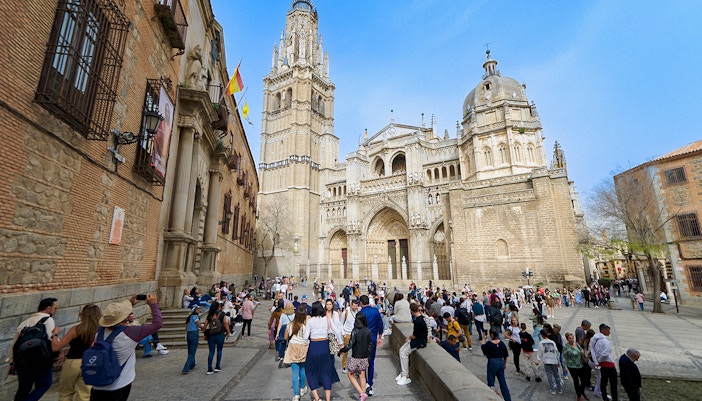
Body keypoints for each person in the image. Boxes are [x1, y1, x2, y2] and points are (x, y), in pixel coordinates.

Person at [90, 294, 163, 400]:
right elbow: (158, 324)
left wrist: (129, 305)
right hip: (119, 385)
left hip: (97, 384)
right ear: (124, 318)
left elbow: (114, 321)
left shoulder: (99, 331)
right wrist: (154, 305)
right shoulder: (130, 333)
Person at [11, 297, 59, 401]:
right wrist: (55, 334)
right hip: (41, 361)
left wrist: (12, 361)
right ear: (48, 308)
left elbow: (15, 343)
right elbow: (51, 341)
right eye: (55, 308)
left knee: (23, 388)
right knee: (44, 384)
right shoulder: (48, 320)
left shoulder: (25, 322)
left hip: (22, 362)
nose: (56, 310)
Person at [53, 304, 101, 401]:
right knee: (85, 395)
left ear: (83, 314)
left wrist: (54, 334)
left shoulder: (75, 330)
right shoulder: (101, 331)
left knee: (65, 393)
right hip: (91, 364)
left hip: (72, 362)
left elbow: (56, 347)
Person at [303, 301, 340, 401]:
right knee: (326, 371)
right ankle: (328, 399)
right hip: (324, 346)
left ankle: (317, 398)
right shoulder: (327, 319)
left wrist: (307, 343)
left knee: (310, 371)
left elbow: (305, 337)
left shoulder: (310, 321)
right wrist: (340, 343)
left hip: (314, 346)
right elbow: (336, 330)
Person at [338, 313, 373, 401]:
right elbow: (370, 346)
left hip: (356, 356)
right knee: (362, 375)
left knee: (350, 374)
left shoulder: (355, 331)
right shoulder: (368, 331)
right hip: (364, 357)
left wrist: (342, 351)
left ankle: (361, 393)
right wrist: (369, 357)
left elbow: (350, 345)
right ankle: (363, 394)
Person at [396, 303, 428, 386]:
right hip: (420, 339)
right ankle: (403, 373)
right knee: (401, 350)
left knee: (403, 353)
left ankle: (406, 375)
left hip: (419, 341)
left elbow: (414, 335)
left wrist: (408, 338)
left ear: (411, 311)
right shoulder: (420, 318)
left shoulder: (417, 321)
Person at [359, 294, 383, 397]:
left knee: (362, 362)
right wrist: (380, 337)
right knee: (371, 362)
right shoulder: (375, 311)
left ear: (360, 303)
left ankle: (364, 386)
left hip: (363, 340)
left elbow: (357, 329)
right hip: (372, 339)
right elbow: (380, 326)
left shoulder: (360, 313)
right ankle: (370, 383)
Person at [285, 305, 310, 401]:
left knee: (295, 371)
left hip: (293, 347)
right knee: (302, 369)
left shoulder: (290, 325)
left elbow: (286, 337)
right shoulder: (304, 326)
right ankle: (302, 388)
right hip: (303, 348)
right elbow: (307, 338)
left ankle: (296, 394)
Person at [481, 328, 512, 401]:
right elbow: (505, 355)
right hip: (500, 362)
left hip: (492, 362)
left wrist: (483, 339)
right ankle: (508, 399)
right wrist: (504, 364)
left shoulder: (489, 344)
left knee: (491, 382)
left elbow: (484, 349)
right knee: (502, 382)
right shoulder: (501, 343)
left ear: (491, 335)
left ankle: (492, 398)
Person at [591, 324, 617, 401]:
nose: (609, 332)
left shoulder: (594, 339)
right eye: (608, 330)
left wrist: (596, 361)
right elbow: (605, 354)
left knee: (603, 382)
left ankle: (604, 397)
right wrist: (599, 360)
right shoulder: (606, 342)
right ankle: (614, 398)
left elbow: (592, 349)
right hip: (609, 365)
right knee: (613, 384)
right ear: (603, 330)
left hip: (601, 364)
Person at [203, 302, 231, 375]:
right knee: (219, 350)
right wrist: (228, 332)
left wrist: (204, 333)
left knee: (211, 352)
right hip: (220, 334)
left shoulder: (209, 316)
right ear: (218, 307)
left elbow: (205, 327)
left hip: (211, 335)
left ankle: (209, 368)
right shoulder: (222, 314)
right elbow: (225, 324)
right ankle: (217, 366)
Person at [562, 332, 588, 401]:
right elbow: (564, 357)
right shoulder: (566, 347)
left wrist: (582, 351)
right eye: (570, 338)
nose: (571, 339)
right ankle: (579, 395)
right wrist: (565, 367)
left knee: (584, 380)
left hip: (580, 365)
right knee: (576, 381)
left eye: (572, 338)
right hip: (572, 366)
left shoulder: (576, 344)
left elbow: (581, 349)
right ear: (567, 339)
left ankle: (581, 391)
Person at [536, 328, 562, 395]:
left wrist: (538, 360)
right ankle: (559, 389)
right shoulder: (552, 342)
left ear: (542, 335)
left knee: (549, 375)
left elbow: (539, 352)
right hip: (554, 360)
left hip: (547, 360)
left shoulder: (541, 343)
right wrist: (558, 361)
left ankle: (553, 389)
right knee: (556, 375)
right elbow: (556, 352)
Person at [182, 305, 204, 374]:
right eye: (198, 309)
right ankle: (186, 368)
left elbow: (186, 327)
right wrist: (203, 327)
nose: (199, 310)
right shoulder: (195, 317)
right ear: (195, 310)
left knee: (190, 349)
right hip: (194, 334)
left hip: (189, 334)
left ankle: (192, 363)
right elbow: (199, 325)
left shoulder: (189, 317)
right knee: (192, 351)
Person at [340, 299, 359, 374]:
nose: (355, 308)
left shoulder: (358, 312)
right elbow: (341, 323)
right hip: (347, 333)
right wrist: (343, 333)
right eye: (353, 306)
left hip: (355, 333)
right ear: (350, 305)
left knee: (356, 351)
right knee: (346, 351)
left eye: (356, 306)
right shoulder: (346, 312)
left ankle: (356, 367)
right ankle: (344, 366)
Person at [276, 303, 295, 368]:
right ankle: (289, 358)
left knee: (282, 344)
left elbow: (280, 325)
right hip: (291, 329)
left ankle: (281, 357)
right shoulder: (294, 315)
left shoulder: (283, 315)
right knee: (290, 344)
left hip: (283, 329)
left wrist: (277, 333)